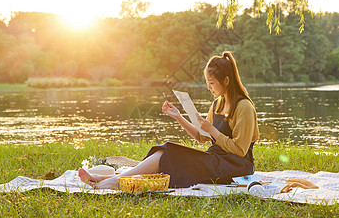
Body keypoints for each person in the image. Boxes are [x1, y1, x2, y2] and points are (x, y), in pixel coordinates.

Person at [78, 51, 259, 189]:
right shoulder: (218, 104)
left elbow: (240, 150)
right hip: (216, 159)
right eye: (207, 82)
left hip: (236, 167)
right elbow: (201, 137)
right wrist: (178, 116)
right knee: (166, 150)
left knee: (170, 153)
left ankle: (112, 182)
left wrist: (213, 131)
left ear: (226, 81)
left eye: (212, 83)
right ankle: (110, 179)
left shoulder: (244, 107)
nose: (208, 87)